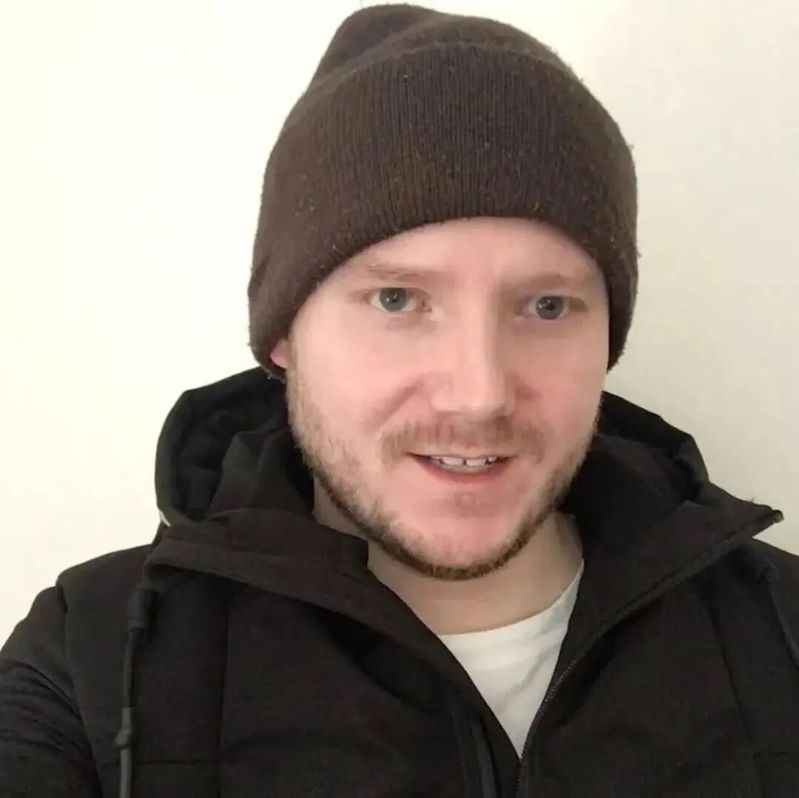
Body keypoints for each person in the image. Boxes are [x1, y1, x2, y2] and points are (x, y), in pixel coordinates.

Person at [1, 3, 797, 796]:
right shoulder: (90, 664)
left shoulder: (782, 631)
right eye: (397, 300)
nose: (478, 393)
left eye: (546, 306)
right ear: (283, 335)